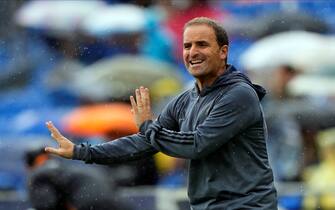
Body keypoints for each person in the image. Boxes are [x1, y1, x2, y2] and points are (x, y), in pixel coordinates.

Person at [45, 17, 278, 210]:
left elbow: (198, 144)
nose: (193, 52)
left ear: (223, 51)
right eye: (187, 46)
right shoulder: (186, 99)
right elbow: (144, 143)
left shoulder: (239, 95)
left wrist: (148, 126)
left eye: (202, 45)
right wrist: (81, 151)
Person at [25, 146, 131, 210]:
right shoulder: (68, 169)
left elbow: (46, 205)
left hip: (89, 203)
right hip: (114, 201)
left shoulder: (38, 174)